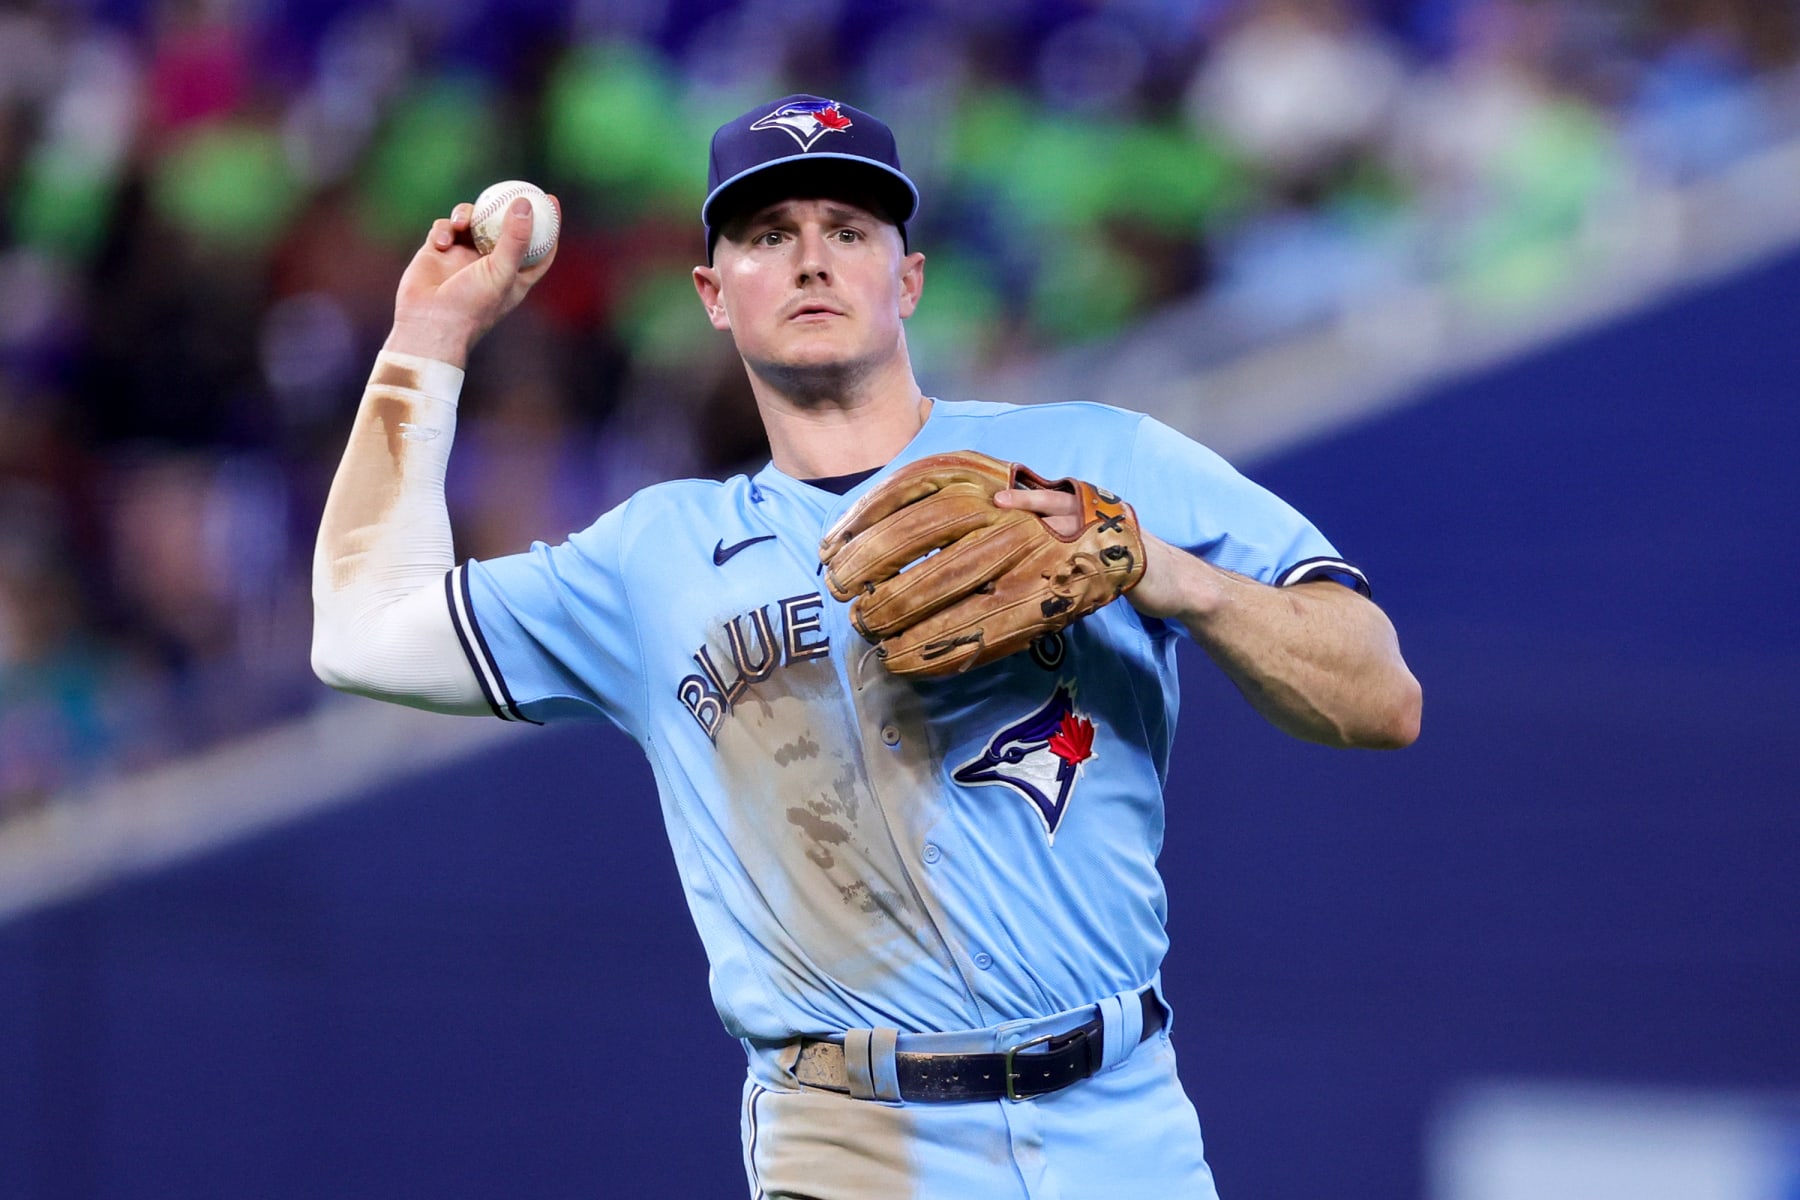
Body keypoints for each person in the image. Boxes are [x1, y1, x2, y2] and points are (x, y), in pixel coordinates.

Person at [312, 94, 1421, 1199]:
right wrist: (430, 335)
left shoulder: (1098, 458)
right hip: (851, 1143)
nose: (809, 262)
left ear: (911, 279)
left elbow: (1382, 696)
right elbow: (363, 631)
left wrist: (1161, 569)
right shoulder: (654, 559)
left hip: (1120, 1123)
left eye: (848, 231)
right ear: (712, 294)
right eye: (766, 235)